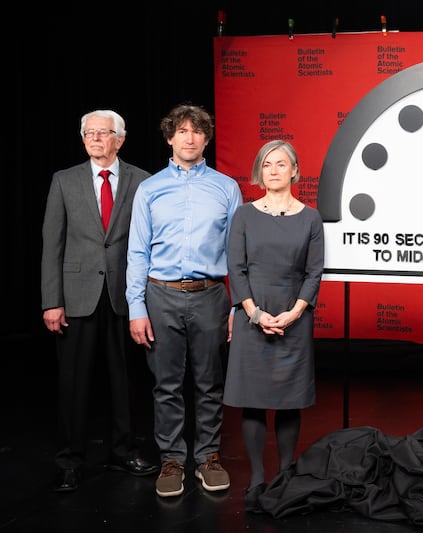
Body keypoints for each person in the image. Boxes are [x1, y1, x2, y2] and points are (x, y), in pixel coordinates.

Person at [126, 103, 242, 498]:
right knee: (167, 384)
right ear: (169, 137)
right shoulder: (150, 189)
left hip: (211, 295)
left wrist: (237, 305)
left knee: (210, 382)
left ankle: (208, 457)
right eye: (182, 131)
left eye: (197, 131)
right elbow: (137, 252)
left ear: (206, 139)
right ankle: (172, 460)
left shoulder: (226, 188)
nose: (189, 138)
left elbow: (237, 253)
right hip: (160, 295)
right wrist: (136, 308)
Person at [41, 109, 158, 492]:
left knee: (125, 380)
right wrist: (51, 300)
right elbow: (52, 244)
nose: (94, 139)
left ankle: (123, 452)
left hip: (127, 295)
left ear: (119, 139)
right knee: (74, 382)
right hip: (76, 297)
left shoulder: (143, 180)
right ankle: (69, 461)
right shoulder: (64, 180)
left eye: (102, 133)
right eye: (88, 133)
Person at [222, 140, 324, 512]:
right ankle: (256, 478)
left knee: (288, 400)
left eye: (281, 164)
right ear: (259, 172)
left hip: (294, 317)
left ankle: (284, 474)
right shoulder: (244, 216)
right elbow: (236, 269)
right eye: (267, 165)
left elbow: (314, 272)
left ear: (295, 171)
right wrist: (254, 313)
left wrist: (295, 313)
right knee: (253, 400)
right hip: (252, 315)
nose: (274, 171)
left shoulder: (310, 218)